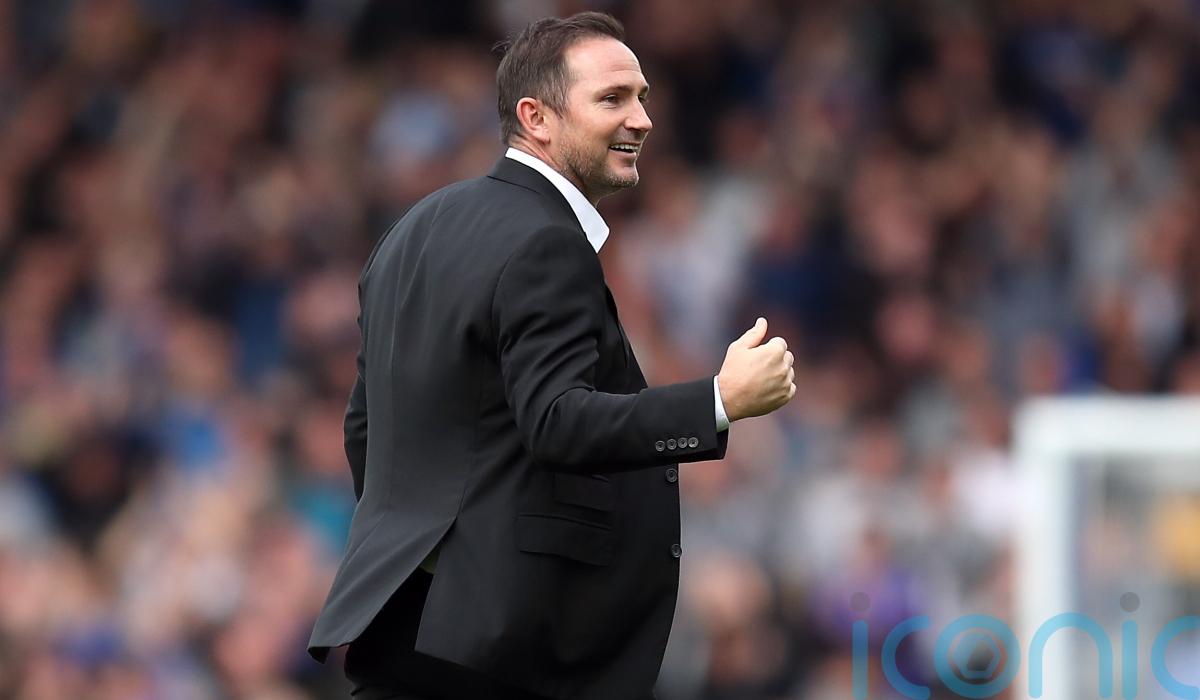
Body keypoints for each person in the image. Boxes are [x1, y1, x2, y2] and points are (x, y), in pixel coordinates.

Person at [307, 12, 795, 700]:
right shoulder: (548, 241)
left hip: (403, 633)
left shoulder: (410, 231)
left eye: (642, 98)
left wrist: (429, 553)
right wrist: (719, 401)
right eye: (612, 99)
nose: (642, 120)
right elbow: (558, 420)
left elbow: (366, 429)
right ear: (535, 117)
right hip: (506, 651)